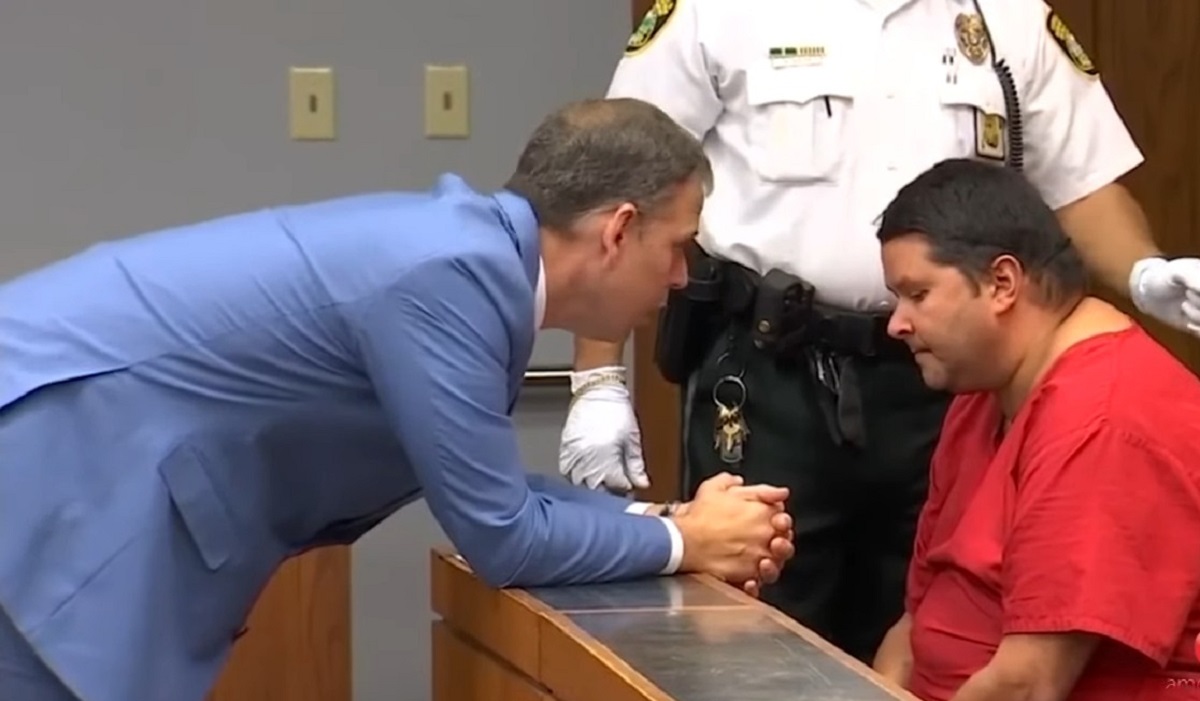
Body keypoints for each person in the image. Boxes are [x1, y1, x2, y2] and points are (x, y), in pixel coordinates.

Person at [0, 98, 795, 701]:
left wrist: (666, 518)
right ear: (618, 231)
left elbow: (495, 490)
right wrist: (686, 542)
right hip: (55, 469)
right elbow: (505, 535)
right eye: (677, 246)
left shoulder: (473, 263)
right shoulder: (451, 279)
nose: (683, 277)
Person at [558, 0, 1200, 664]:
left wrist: (1145, 270)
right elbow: (624, 188)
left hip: (942, 390)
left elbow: (1082, 182)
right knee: (748, 630)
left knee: (934, 623)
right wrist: (598, 377)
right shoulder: (719, 11)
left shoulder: (1004, 15)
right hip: (770, 377)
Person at [869, 157, 1200, 701]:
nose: (896, 324)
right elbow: (914, 626)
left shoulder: (1103, 422)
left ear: (1002, 283)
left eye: (918, 294)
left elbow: (1026, 686)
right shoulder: (983, 388)